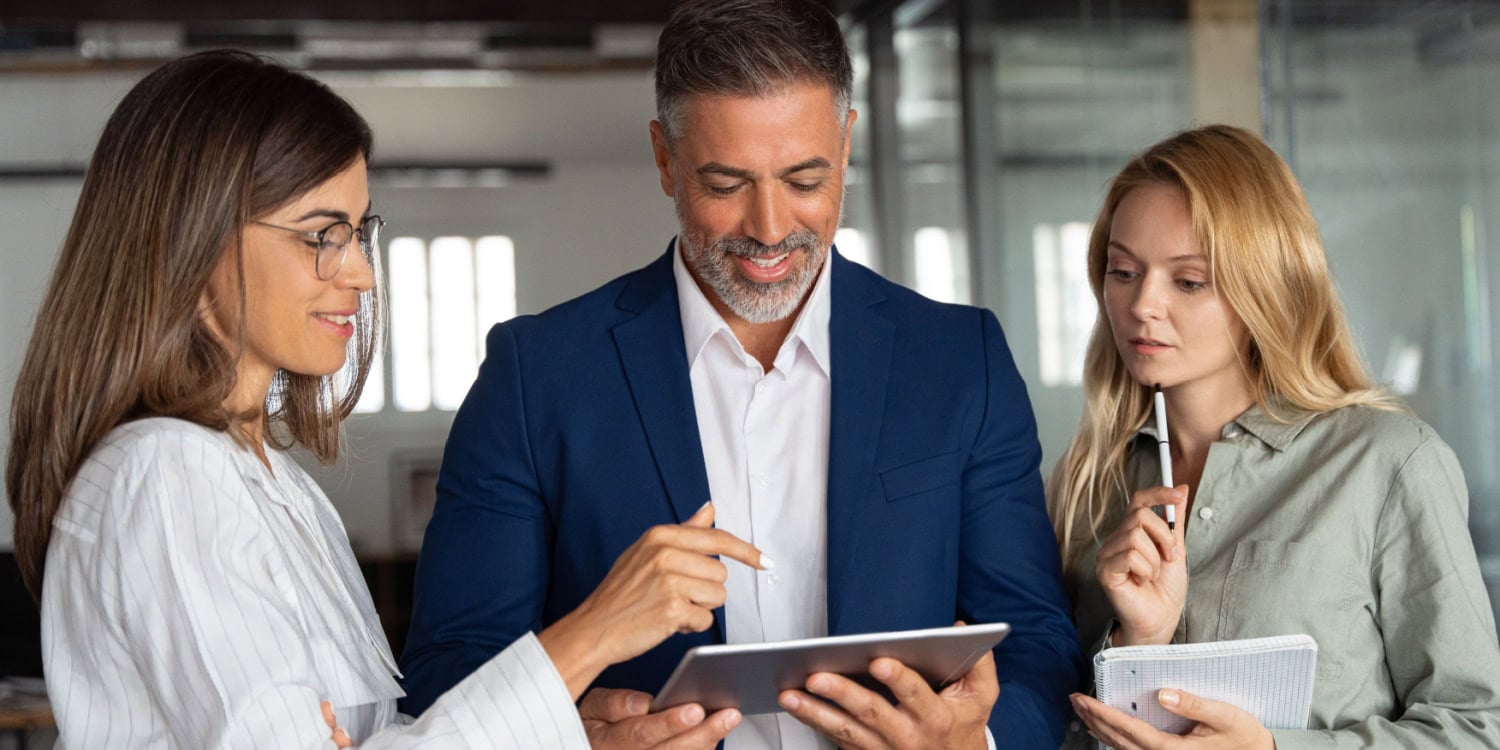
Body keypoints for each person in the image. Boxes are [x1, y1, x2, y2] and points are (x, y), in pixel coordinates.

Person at [5, 49, 759, 749]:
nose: (362, 274)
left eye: (359, 231)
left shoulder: (278, 488)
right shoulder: (165, 477)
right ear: (197, 240)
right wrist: (593, 633)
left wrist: (563, 732)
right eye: (322, 236)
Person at [398, 0, 1082, 747]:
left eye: (804, 179)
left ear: (847, 146)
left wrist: (972, 744)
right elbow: (448, 669)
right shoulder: (535, 377)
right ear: (664, 158)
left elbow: (1038, 644)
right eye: (726, 184)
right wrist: (572, 742)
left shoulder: (961, 361)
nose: (767, 227)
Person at [1052, 124, 1500, 749]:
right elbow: (1054, 722)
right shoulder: (1087, 482)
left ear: (1269, 285)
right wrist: (1136, 646)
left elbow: (1479, 728)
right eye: (1123, 270)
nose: (1142, 304)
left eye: (1188, 281)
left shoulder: (1387, 463)